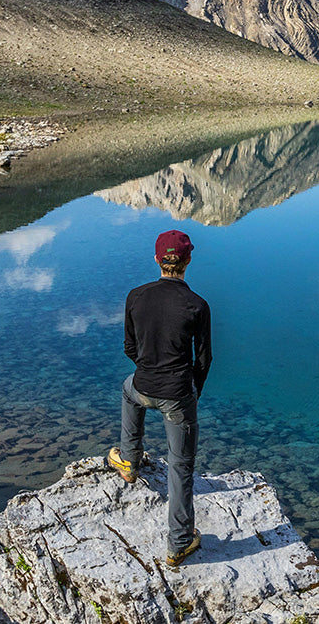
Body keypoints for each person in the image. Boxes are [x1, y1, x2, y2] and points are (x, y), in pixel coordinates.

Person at [107, 229, 212, 567]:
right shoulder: (197, 305)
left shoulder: (136, 296)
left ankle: (128, 461)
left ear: (157, 259)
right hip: (178, 396)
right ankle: (179, 542)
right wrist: (192, 391)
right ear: (188, 260)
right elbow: (204, 360)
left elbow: (129, 347)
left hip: (143, 385)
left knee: (128, 390)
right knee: (181, 466)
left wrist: (148, 370)